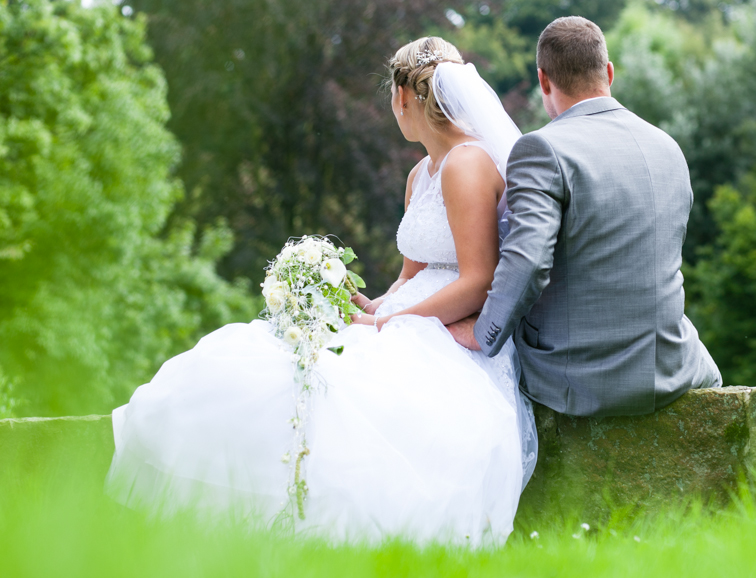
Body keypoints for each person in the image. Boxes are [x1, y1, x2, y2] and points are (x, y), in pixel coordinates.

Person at [106, 36, 537, 547]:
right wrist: (367, 303)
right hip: (404, 315)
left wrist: (388, 323)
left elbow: (476, 281)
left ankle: (319, 528)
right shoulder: (421, 172)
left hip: (447, 331)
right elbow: (409, 274)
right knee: (279, 364)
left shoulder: (468, 163)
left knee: (351, 396)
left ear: (404, 97)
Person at [449, 17, 722, 416]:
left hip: (579, 379)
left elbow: (528, 261)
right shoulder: (668, 146)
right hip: (673, 366)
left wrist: (482, 333)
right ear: (608, 72)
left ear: (544, 81)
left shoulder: (540, 149)